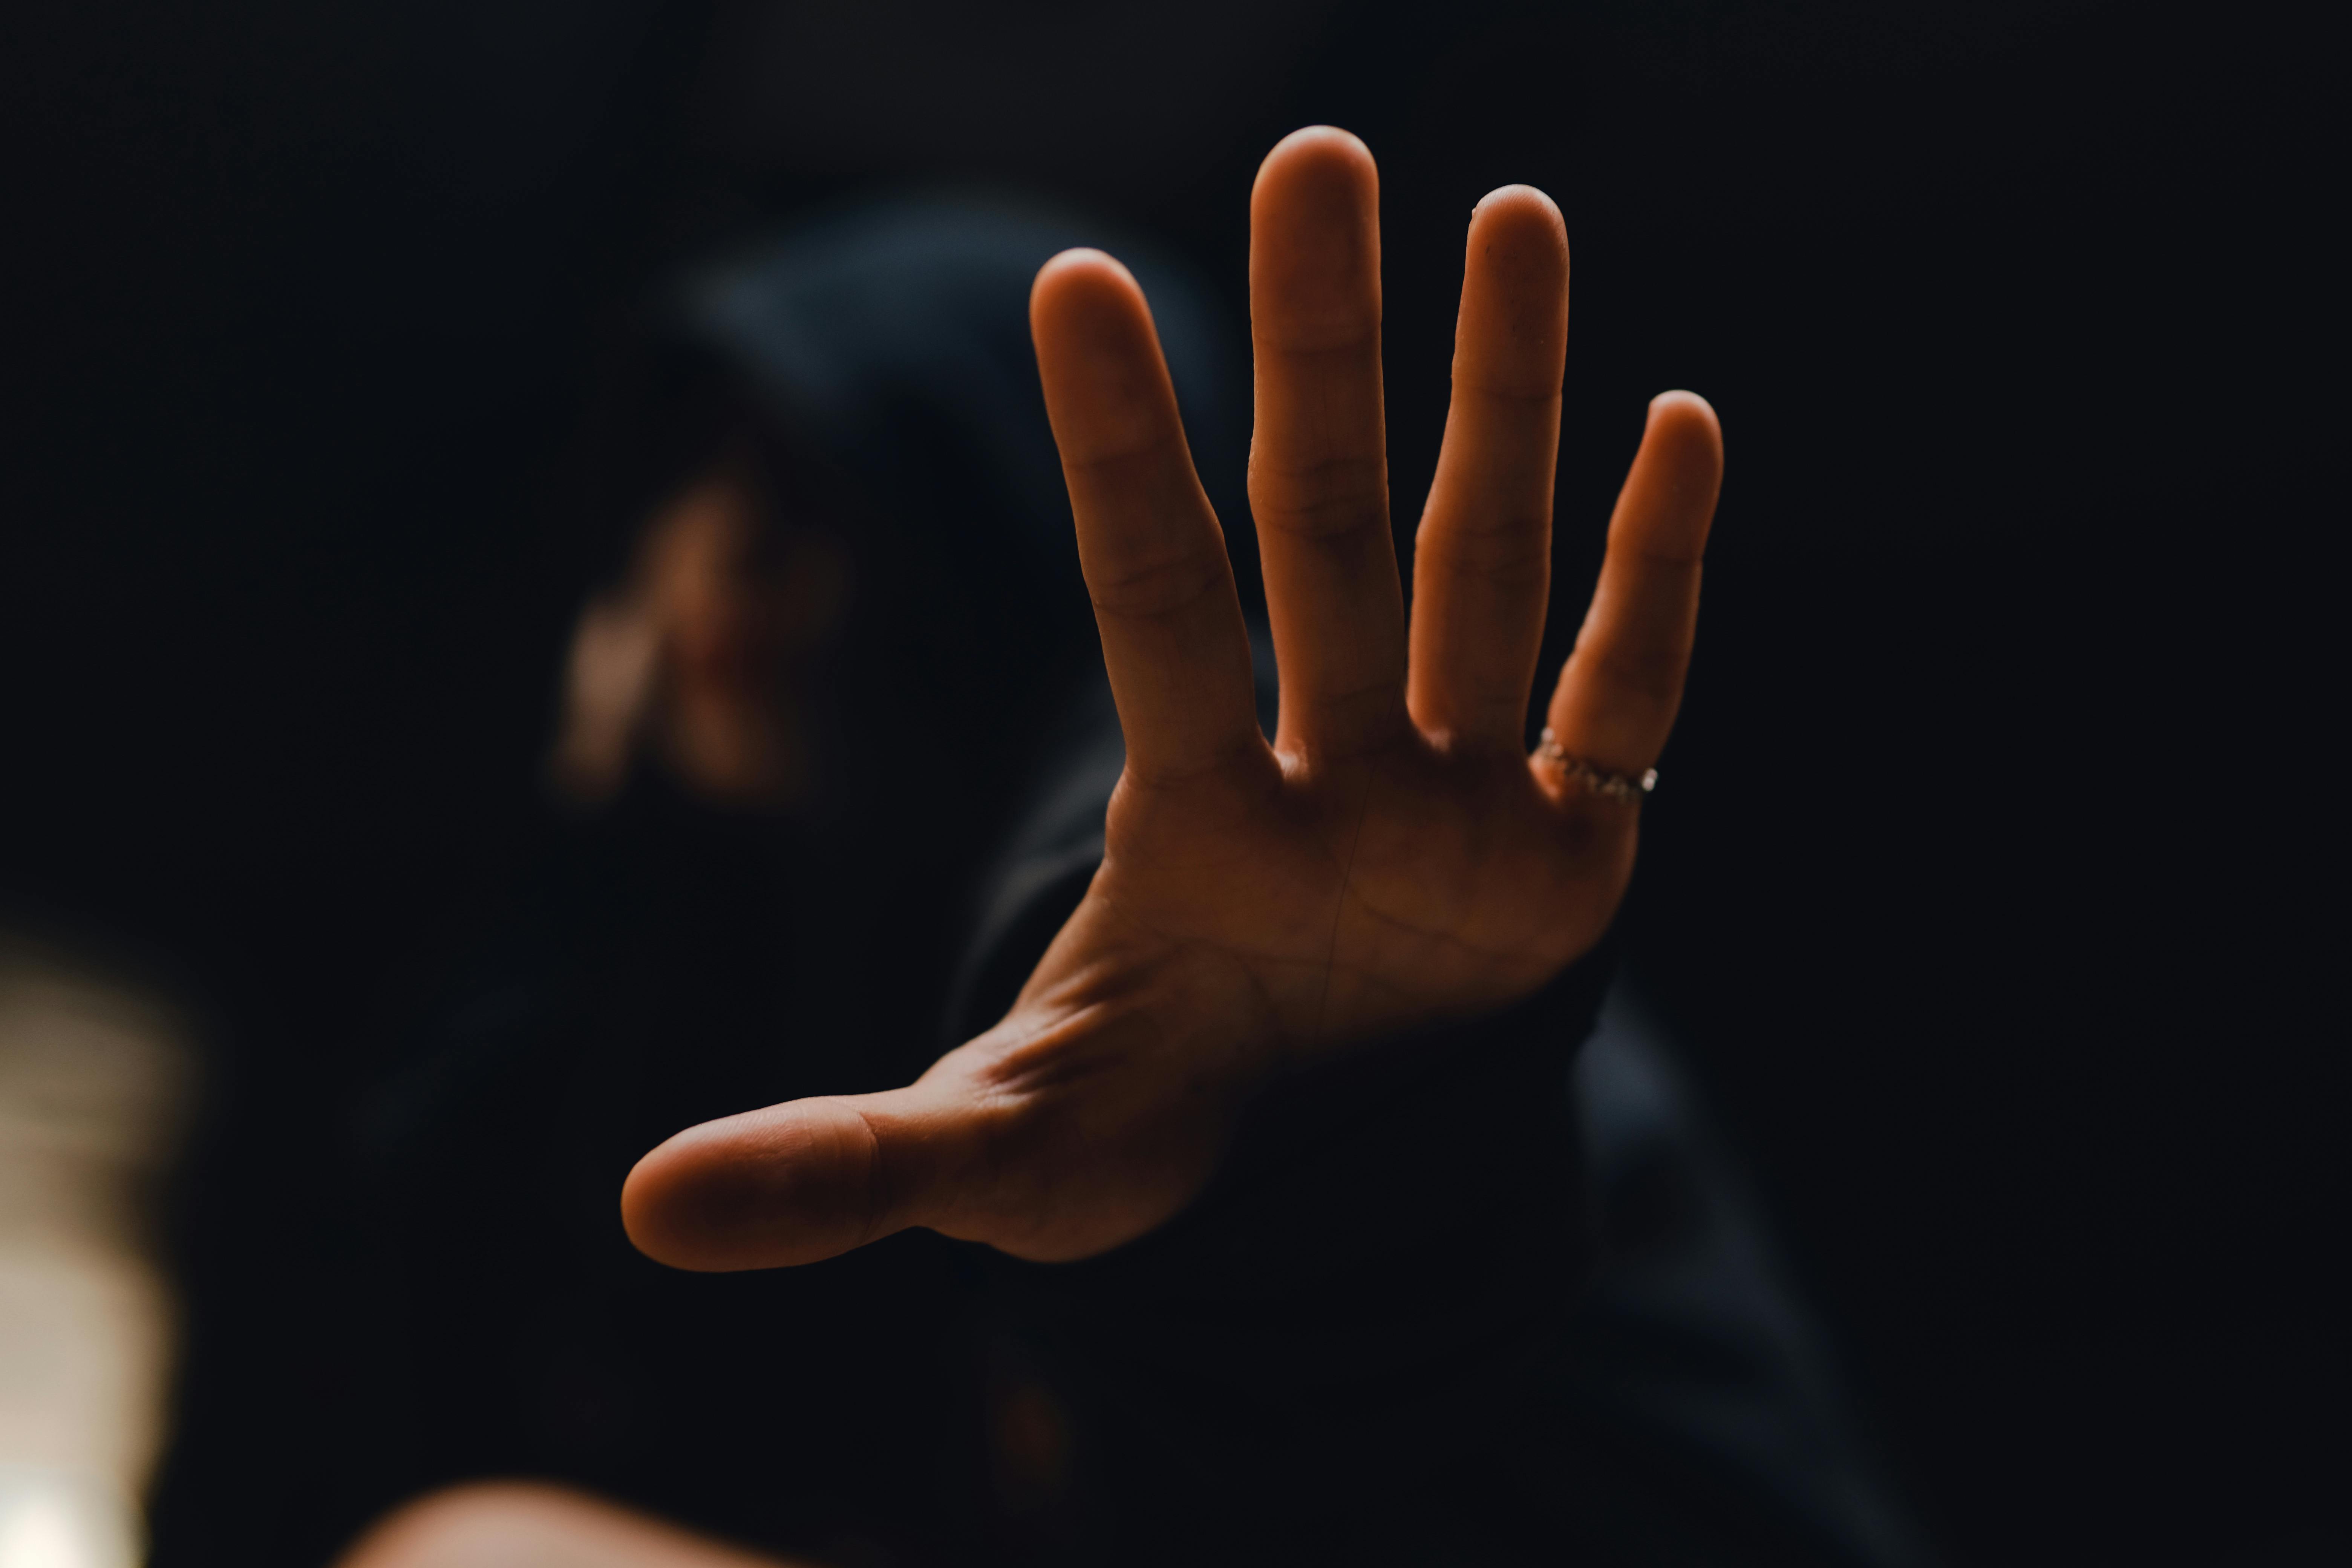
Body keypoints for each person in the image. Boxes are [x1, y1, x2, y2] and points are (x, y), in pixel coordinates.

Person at [311, 126, 1917, 1568]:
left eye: (827, 481)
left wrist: (1301, 1136)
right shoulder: (717, 1012)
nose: (728, 549)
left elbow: (1367, 1341)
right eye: (698, 475)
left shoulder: (1274, 901)